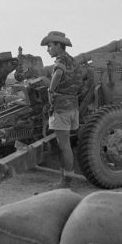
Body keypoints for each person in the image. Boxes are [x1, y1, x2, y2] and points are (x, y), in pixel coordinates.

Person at [40, 31, 83, 187]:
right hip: (73, 107)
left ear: (59, 45)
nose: (48, 50)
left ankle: (66, 181)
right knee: (67, 145)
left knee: (64, 146)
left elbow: (58, 73)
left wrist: (51, 91)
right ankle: (67, 178)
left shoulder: (61, 60)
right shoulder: (74, 61)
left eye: (50, 46)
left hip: (61, 109)